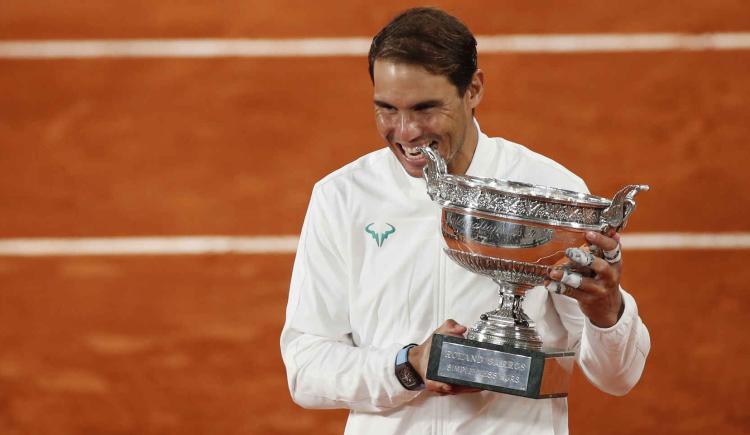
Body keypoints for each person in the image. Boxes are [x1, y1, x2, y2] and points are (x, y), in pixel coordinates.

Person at [280, 7, 650, 434]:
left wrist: (609, 313)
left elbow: (618, 378)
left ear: (473, 89)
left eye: (425, 108)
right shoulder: (342, 196)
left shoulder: (550, 188)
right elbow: (306, 366)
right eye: (386, 109)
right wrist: (408, 367)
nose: (405, 131)